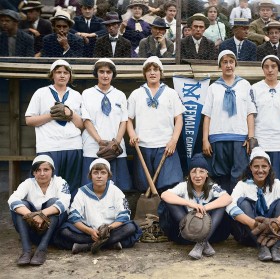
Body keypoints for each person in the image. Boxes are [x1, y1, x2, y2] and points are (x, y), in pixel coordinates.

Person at [227, 147, 280, 262]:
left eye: (264, 166)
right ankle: (262, 247)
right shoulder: (242, 185)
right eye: (256, 166)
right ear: (250, 168)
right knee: (243, 203)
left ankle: (275, 247)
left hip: (273, 233)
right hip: (249, 233)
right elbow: (230, 204)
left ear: (269, 167)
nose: (260, 170)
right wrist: (253, 224)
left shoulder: (276, 184)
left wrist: (276, 223)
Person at [54, 158, 142, 254]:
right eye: (96, 173)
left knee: (130, 227)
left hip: (110, 231)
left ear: (108, 175)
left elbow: (124, 215)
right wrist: (90, 231)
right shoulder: (82, 192)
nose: (99, 176)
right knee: (64, 230)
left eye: (103, 173)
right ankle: (110, 244)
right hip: (87, 231)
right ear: (90, 175)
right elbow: (74, 217)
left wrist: (108, 228)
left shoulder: (115, 191)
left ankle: (87, 246)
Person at [127, 56, 186, 192]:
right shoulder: (136, 94)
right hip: (143, 146)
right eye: (149, 70)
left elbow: (179, 119)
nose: (152, 73)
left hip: (166, 146)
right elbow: (128, 119)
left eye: (155, 69)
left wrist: (173, 141)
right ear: (145, 74)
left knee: (170, 187)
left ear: (161, 72)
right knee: (145, 187)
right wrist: (132, 135)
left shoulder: (171, 93)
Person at [202, 50, 257, 194]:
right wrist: (205, 140)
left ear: (235, 64)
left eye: (231, 62)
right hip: (218, 137)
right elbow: (207, 115)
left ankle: (237, 210)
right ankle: (224, 209)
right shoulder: (213, 88)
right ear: (220, 65)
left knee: (239, 175)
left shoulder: (244, 85)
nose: (228, 65)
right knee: (221, 175)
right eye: (225, 62)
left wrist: (251, 137)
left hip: (239, 137)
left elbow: (250, 112)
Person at [25, 59, 83, 195]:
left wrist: (70, 114)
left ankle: (69, 214)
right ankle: (48, 213)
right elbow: (29, 120)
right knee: (46, 183)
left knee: (71, 184)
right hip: (48, 145)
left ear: (70, 76)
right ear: (52, 75)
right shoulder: (41, 93)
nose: (62, 75)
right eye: (58, 72)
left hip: (73, 145)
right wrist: (51, 116)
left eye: (65, 72)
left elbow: (81, 125)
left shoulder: (76, 95)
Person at [159, 153, 232, 259]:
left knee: (220, 203)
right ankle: (202, 242)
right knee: (171, 202)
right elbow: (164, 195)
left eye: (201, 171)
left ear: (207, 174)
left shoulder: (212, 186)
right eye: (194, 171)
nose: (198, 176)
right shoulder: (183, 186)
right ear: (189, 174)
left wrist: (204, 208)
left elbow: (228, 198)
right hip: (186, 235)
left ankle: (201, 243)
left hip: (210, 233)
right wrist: (190, 204)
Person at [8, 155, 71, 265]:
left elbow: (65, 201)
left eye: (46, 169)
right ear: (33, 172)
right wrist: (31, 215)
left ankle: (42, 249)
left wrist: (42, 214)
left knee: (54, 202)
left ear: (52, 171)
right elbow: (12, 199)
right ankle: (26, 250)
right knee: (21, 205)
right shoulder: (28, 183)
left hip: (53, 228)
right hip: (33, 226)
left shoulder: (60, 182)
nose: (42, 173)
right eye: (38, 170)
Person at [80, 58, 132, 191]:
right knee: (91, 187)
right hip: (93, 148)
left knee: (118, 188)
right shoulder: (87, 93)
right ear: (96, 73)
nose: (105, 75)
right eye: (101, 71)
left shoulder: (120, 95)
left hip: (116, 149)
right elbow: (86, 120)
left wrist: (116, 143)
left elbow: (124, 121)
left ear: (112, 74)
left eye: (108, 72)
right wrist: (100, 141)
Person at [251, 55, 280, 189]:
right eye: (266, 67)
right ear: (262, 69)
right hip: (261, 140)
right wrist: (251, 137)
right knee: (260, 181)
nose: (270, 70)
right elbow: (250, 114)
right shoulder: (254, 88)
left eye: (273, 66)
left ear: (278, 69)